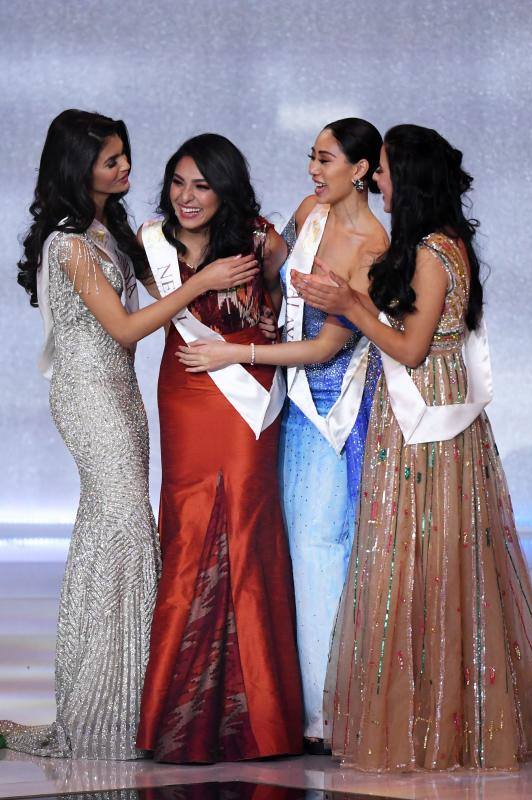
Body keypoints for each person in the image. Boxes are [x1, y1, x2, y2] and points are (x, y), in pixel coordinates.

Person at [293, 124, 532, 770]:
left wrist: (349, 304)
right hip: (427, 416)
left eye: (383, 171)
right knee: (434, 569)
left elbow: (411, 349)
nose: (378, 181)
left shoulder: (433, 251)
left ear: (406, 178)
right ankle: (438, 715)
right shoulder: (438, 244)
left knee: (423, 569)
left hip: (427, 425)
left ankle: (434, 727)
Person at [1, 110, 258, 760]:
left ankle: (117, 701)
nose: (126, 170)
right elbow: (123, 327)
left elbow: (167, 290)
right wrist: (201, 281)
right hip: (90, 396)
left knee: (116, 532)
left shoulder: (107, 231)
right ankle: (101, 715)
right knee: (122, 530)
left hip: (120, 395)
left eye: (123, 158)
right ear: (79, 166)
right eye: (113, 160)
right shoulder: (68, 244)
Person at [177, 119, 388, 752]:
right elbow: (268, 275)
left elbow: (328, 345)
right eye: (311, 157)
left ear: (360, 170)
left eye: (325, 160)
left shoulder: (374, 245)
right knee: (291, 548)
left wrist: (235, 354)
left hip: (331, 412)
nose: (312, 170)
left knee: (323, 549)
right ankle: (293, 699)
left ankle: (330, 715)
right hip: (284, 401)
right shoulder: (310, 214)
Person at [135, 133, 303, 763]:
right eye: (178, 182)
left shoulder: (260, 238)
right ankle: (176, 716)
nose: (187, 196)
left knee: (246, 531)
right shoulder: (151, 241)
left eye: (202, 185)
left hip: (248, 401)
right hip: (185, 393)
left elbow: (294, 311)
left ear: (226, 187)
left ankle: (259, 719)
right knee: (187, 533)